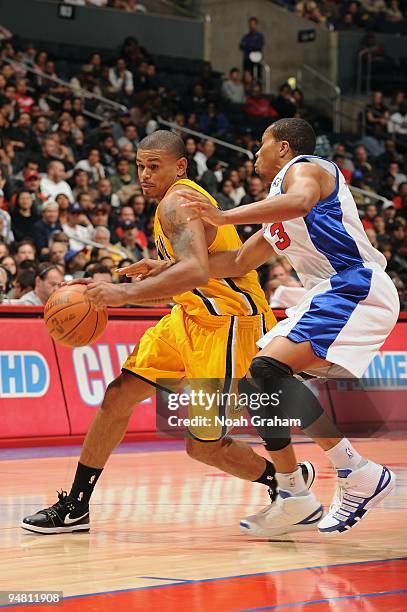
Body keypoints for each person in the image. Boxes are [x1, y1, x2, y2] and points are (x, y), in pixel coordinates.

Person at [21, 131, 314, 535]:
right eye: (140, 166)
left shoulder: (177, 201)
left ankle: (288, 485)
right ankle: (76, 505)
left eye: (153, 166)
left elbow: (195, 270)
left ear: (180, 166)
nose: (144, 174)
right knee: (118, 394)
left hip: (227, 325)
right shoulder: (171, 202)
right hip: (189, 316)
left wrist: (121, 293)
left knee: (202, 447)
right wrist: (161, 266)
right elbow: (200, 265)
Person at [177, 118, 399, 537]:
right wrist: (173, 268)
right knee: (258, 380)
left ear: (282, 148)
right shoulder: (276, 210)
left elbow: (299, 202)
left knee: (265, 372)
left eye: (261, 144)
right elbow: (239, 262)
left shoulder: (306, 168)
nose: (254, 153)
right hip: (328, 293)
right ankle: (294, 490)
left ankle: (357, 471)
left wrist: (223, 216)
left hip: (355, 284)